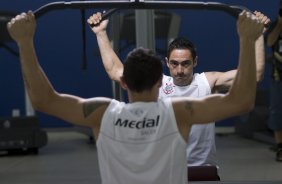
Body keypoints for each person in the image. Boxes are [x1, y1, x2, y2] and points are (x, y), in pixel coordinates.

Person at [7, 10, 264, 184]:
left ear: (124, 82)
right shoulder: (179, 113)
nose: (180, 70)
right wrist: (247, 38)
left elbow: (44, 99)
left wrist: (24, 42)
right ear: (160, 79)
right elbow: (242, 100)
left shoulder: (103, 112)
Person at [88, 10, 270, 170]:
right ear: (167, 63)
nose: (180, 70)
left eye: (186, 64)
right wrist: (101, 33)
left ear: (195, 62)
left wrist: (258, 36)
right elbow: (116, 71)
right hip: (166, 170)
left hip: (202, 169)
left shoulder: (208, 81)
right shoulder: (157, 83)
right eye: (174, 64)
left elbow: (254, 75)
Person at [266, 6, 282, 162]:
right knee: (277, 113)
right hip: (279, 75)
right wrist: (280, 23)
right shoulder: (275, 24)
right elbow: (270, 41)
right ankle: (280, 147)